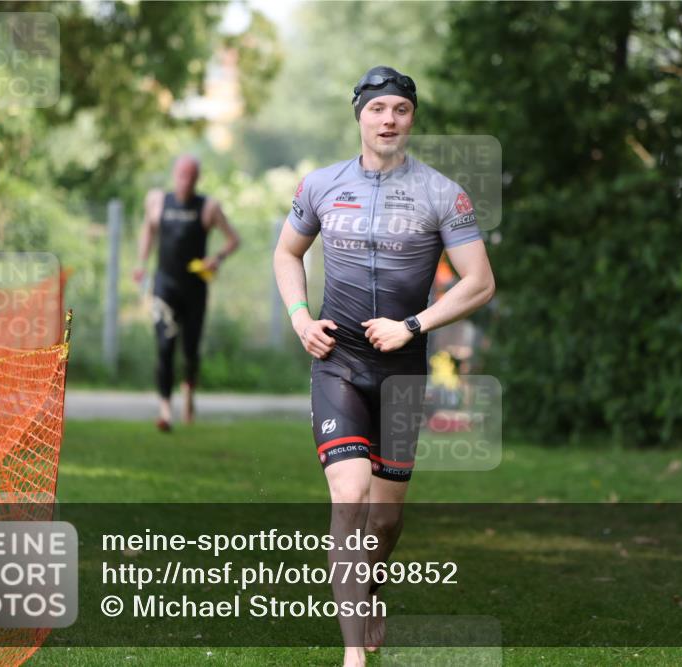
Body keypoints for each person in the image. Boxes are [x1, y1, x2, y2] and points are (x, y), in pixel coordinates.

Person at [273, 66, 495, 667]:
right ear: (359, 116)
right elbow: (288, 252)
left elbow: (479, 282)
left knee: (385, 520)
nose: (388, 119)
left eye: (399, 109)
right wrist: (299, 317)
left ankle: (370, 586)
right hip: (337, 363)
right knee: (348, 498)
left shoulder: (442, 193)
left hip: (403, 372)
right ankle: (354, 655)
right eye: (377, 109)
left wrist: (413, 326)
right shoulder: (320, 185)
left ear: (412, 117)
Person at [133, 155, 239, 431]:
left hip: (194, 289)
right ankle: (165, 411)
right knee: (165, 347)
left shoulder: (208, 207)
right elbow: (148, 230)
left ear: (197, 177)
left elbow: (233, 239)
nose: (186, 180)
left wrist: (216, 258)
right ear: (174, 174)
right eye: (182, 174)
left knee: (190, 351)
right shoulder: (157, 201)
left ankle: (189, 397)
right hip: (164, 287)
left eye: (191, 176)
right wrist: (141, 264)